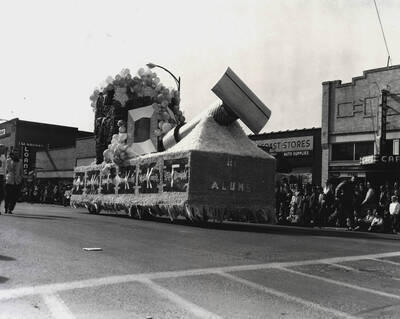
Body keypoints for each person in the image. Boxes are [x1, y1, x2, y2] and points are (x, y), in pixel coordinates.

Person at [4, 149, 24, 214]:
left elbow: (21, 171)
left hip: (17, 181)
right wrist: (12, 161)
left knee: (15, 197)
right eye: (15, 154)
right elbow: (8, 169)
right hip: (9, 181)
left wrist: (20, 178)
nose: (16, 155)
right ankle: (6, 208)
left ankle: (10, 209)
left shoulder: (20, 161)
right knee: (8, 196)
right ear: (12, 154)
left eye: (17, 154)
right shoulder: (8, 160)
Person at [0, 146, 6, 214]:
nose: (2, 150)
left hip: (1, 176)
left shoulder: (3, 157)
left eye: (3, 148)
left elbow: (5, 167)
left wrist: (4, 176)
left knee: (1, 193)